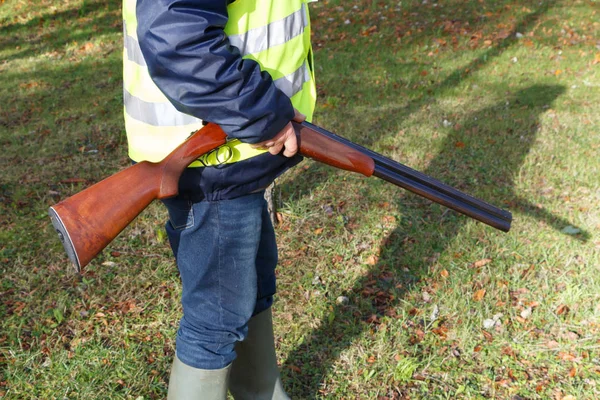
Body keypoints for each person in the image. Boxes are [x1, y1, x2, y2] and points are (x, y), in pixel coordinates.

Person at [122, 0, 317, 398]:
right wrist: (265, 112)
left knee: (251, 288)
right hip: (211, 158)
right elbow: (176, 36)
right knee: (215, 319)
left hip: (233, 152)